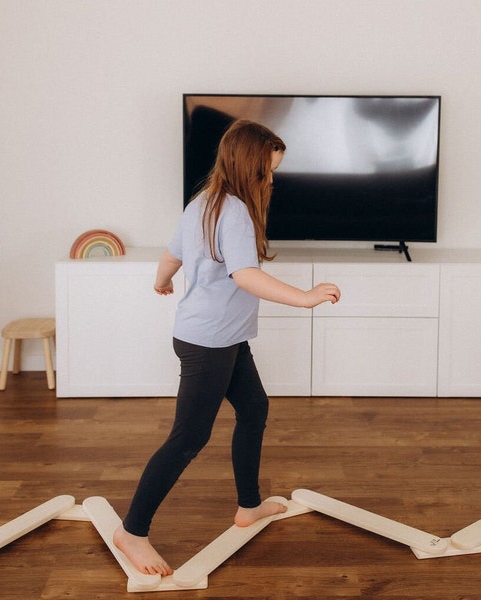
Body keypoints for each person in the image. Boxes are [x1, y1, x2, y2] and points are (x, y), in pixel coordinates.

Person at [113, 119, 341, 576]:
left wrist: (161, 282)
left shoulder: (202, 202)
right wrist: (306, 298)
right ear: (245, 167)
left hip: (222, 337)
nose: (271, 181)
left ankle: (248, 506)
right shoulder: (233, 210)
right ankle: (132, 531)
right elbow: (245, 275)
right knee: (188, 437)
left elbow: (171, 255)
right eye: (265, 172)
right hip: (209, 343)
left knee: (254, 408)